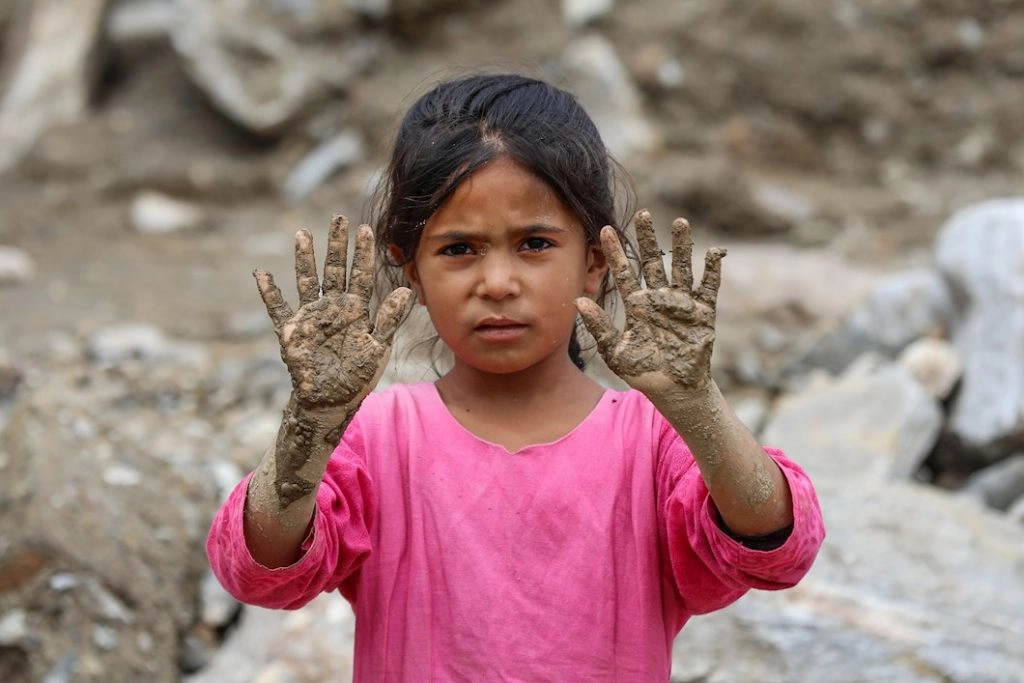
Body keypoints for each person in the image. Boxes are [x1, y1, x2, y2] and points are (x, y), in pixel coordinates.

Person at [206, 73, 825, 680]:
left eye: (533, 243)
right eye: (458, 249)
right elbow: (257, 569)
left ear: (594, 263)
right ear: (410, 269)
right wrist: (309, 423)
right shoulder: (378, 437)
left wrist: (695, 402)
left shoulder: (652, 442)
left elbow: (778, 548)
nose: (497, 282)